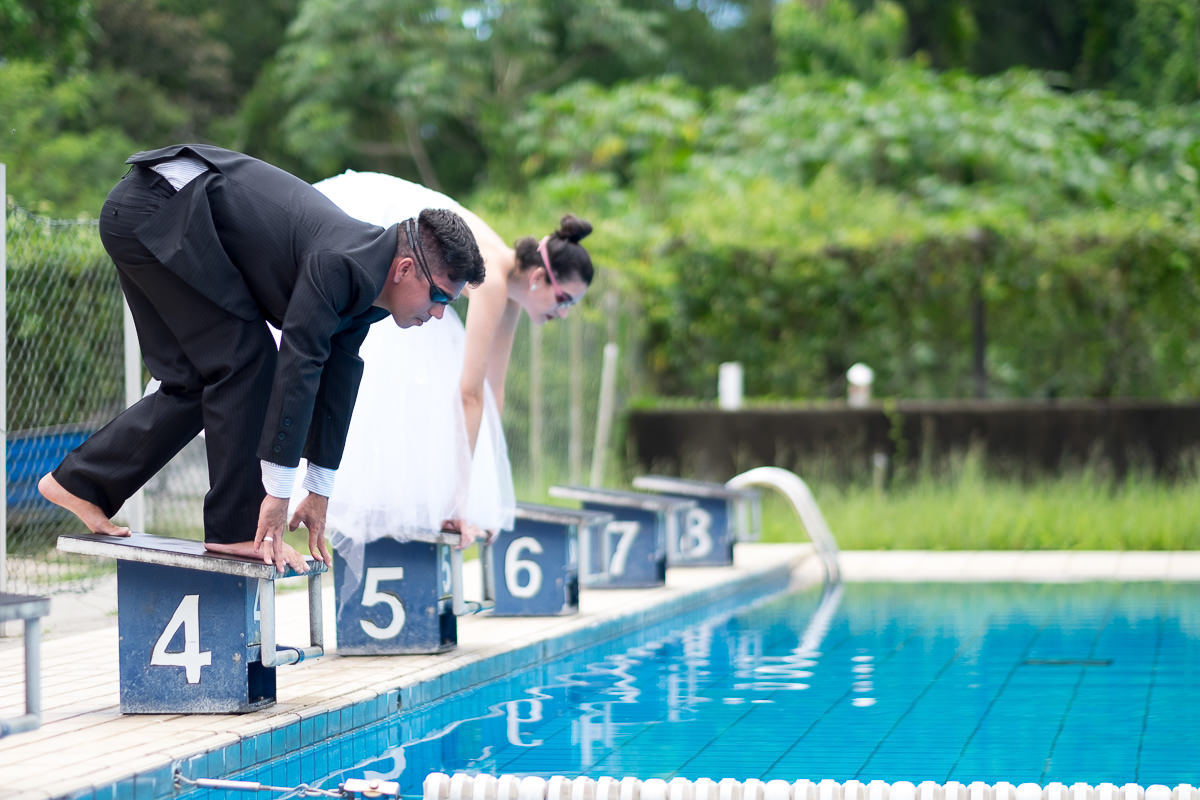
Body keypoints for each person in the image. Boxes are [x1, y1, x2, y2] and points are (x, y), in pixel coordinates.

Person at [37, 144, 486, 574]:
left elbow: (337, 380)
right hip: (158, 211)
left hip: (155, 214)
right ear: (405, 269)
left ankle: (80, 483)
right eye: (439, 296)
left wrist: (318, 493)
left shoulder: (368, 284)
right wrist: (275, 495)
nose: (439, 313)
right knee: (246, 361)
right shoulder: (339, 265)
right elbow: (297, 370)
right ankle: (234, 530)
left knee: (195, 380)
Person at [306, 171, 594, 586]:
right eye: (564, 299)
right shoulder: (494, 279)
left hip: (403, 243)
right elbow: (469, 394)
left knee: (428, 360)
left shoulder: (510, 286)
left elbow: (491, 396)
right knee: (407, 365)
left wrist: (483, 499)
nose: (563, 313)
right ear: (538, 279)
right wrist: (461, 503)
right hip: (365, 220)